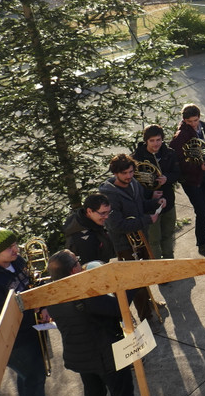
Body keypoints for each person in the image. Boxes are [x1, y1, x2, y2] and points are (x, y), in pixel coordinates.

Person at [46, 250, 136, 396]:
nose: (81, 264)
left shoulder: (50, 293)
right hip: (105, 355)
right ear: (73, 270)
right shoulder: (83, 292)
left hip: (81, 357)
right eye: (78, 262)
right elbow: (117, 307)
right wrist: (131, 284)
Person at [0, 227, 66, 396]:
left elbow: (31, 282)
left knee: (29, 377)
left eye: (14, 245)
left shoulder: (17, 261)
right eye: (9, 248)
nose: (16, 249)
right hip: (13, 339)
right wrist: (34, 313)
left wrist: (42, 303)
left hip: (31, 327)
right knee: (34, 377)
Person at [98, 153, 163, 325]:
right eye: (124, 173)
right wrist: (148, 220)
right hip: (125, 245)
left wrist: (155, 203)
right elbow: (116, 225)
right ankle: (146, 318)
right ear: (115, 173)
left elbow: (140, 205)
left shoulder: (133, 183)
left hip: (141, 237)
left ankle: (150, 303)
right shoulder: (109, 195)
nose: (128, 176)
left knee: (145, 274)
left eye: (131, 172)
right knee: (135, 282)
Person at [170, 103, 205, 258]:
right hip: (192, 179)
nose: (194, 125)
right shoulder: (180, 136)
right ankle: (202, 245)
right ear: (184, 120)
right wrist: (198, 167)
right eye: (190, 122)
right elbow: (178, 162)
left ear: (199, 117)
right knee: (201, 210)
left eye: (195, 120)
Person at [131, 124, 181, 259]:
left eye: (158, 140)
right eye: (152, 140)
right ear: (146, 141)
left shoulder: (169, 153)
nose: (156, 144)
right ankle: (159, 267)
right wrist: (150, 195)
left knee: (168, 234)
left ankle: (170, 261)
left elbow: (178, 173)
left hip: (168, 202)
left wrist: (168, 178)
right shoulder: (136, 158)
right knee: (153, 239)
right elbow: (134, 184)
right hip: (150, 206)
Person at [62, 192, 115, 265]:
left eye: (108, 212)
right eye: (103, 213)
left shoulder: (95, 225)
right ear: (89, 211)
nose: (106, 217)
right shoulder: (82, 238)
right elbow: (89, 268)